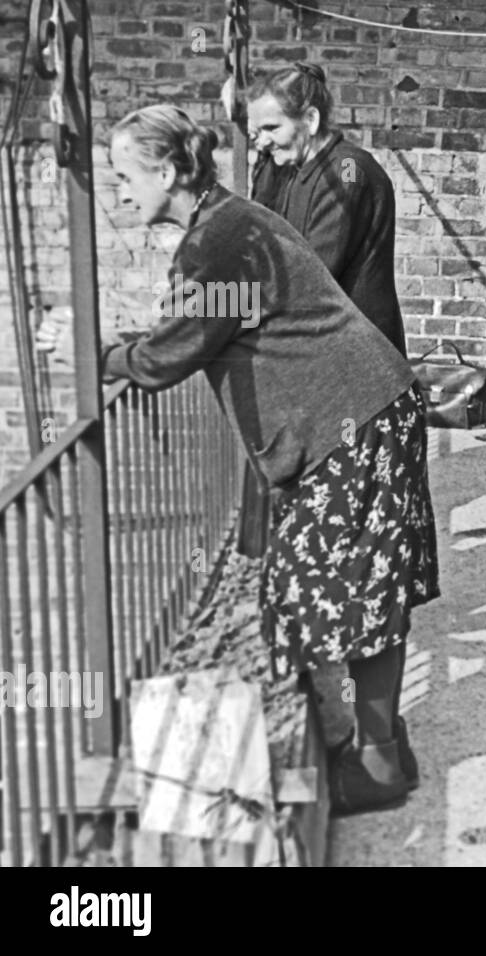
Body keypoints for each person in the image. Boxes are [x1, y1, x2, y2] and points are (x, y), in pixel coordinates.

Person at [97, 105, 439, 815]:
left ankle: (376, 762)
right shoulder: (228, 222)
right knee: (333, 587)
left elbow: (174, 351)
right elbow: (202, 321)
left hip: (353, 423)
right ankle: (375, 740)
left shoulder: (218, 239)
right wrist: (144, 340)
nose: (120, 193)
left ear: (166, 171)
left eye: (125, 176)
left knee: (350, 590)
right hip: (362, 412)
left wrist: (106, 357)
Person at [248, 63, 406, 353]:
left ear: (310, 119)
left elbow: (307, 280)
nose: (263, 142)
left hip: (361, 359)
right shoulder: (294, 170)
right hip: (322, 351)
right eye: (257, 132)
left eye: (272, 127)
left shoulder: (347, 173)